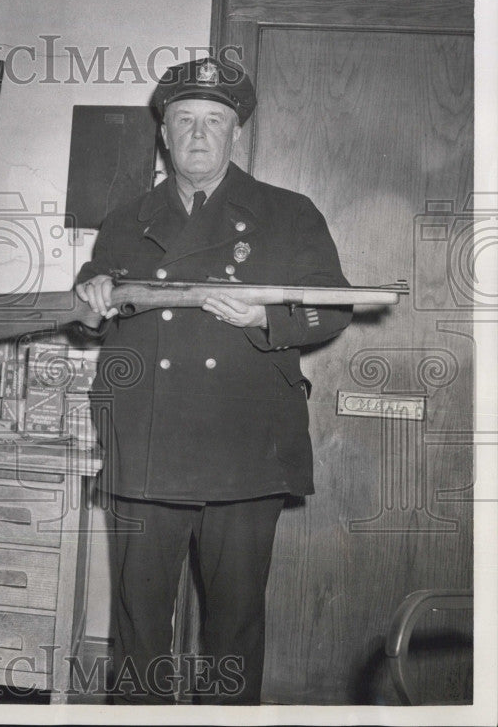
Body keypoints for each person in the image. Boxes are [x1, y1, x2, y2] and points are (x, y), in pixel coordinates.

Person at [75, 56, 352, 704]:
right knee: (138, 630)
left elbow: (335, 305)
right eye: (184, 120)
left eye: (215, 121)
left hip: (244, 446)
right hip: (145, 446)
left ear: (235, 134)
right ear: (164, 135)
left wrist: (268, 315)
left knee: (233, 629)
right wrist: (90, 303)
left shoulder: (288, 214)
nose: (199, 134)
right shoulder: (126, 219)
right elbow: (98, 314)